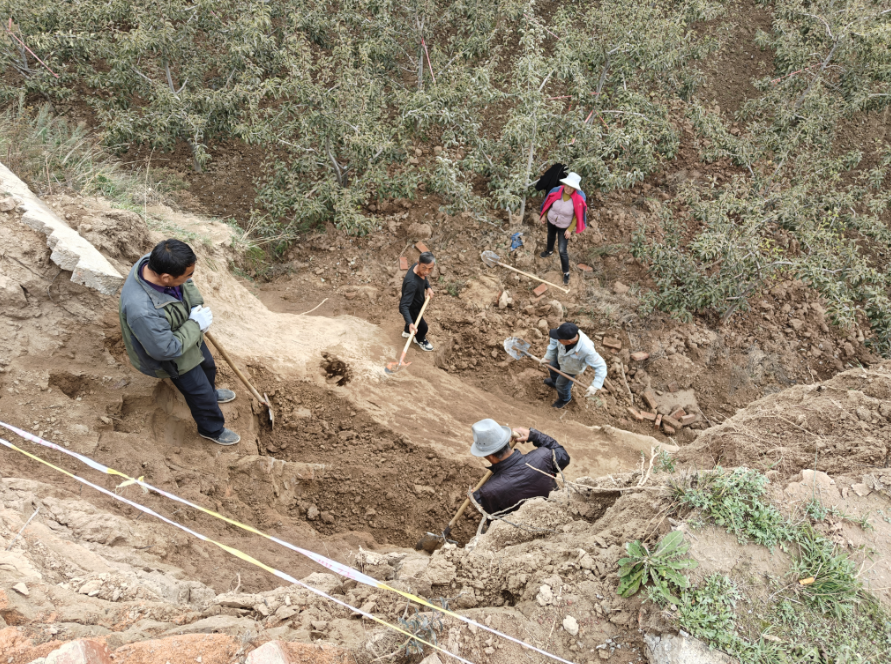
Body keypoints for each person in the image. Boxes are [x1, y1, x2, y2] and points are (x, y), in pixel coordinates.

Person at [119, 239, 240, 446]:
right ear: (166, 278)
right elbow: (165, 350)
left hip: (183, 330)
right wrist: (195, 324)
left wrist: (195, 306)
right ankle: (211, 429)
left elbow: (187, 284)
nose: (191, 278)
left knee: (208, 365)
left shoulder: (153, 262)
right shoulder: (143, 311)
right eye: (188, 275)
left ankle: (212, 392)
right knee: (199, 392)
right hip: (170, 354)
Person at [469, 419, 570, 518]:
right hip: (558, 515)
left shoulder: (489, 491)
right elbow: (564, 457)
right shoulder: (543, 456)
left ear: (489, 456)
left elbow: (493, 519)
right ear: (507, 440)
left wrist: (478, 499)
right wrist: (534, 435)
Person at [542, 322, 607, 409]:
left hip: (571, 368)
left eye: (559, 339)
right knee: (552, 367)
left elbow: (601, 366)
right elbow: (553, 342)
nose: (557, 339)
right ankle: (554, 382)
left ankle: (565, 399)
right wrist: (548, 357)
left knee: (561, 385)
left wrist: (595, 385)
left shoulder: (587, 350)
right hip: (560, 356)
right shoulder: (562, 332)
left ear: (568, 341)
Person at [539, 172, 588, 286]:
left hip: (564, 226)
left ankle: (566, 272)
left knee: (562, 250)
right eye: (567, 185)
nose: (568, 189)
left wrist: (570, 229)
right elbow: (548, 203)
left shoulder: (578, 199)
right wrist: (544, 215)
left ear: (575, 188)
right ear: (564, 183)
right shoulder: (556, 191)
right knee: (550, 236)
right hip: (551, 220)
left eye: (571, 187)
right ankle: (549, 251)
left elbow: (578, 215)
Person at [399, 251, 435, 352]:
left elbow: (424, 277)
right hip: (412, 308)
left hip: (415, 303)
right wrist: (410, 323)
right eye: (424, 268)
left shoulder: (418, 267)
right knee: (423, 327)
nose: (427, 272)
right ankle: (420, 339)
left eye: (430, 269)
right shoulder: (412, 283)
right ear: (418, 263)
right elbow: (404, 305)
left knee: (412, 322)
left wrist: (428, 287)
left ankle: (407, 331)